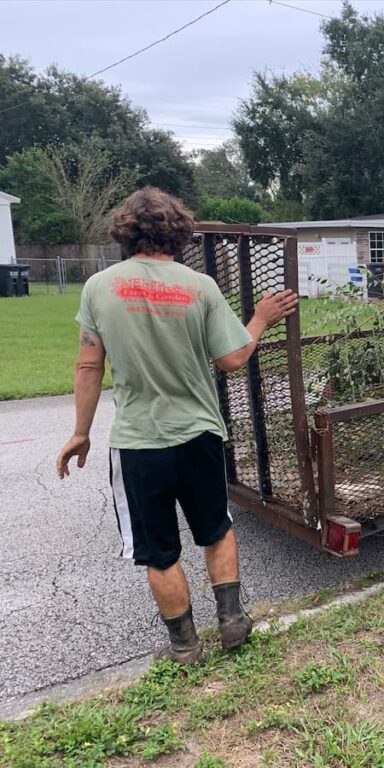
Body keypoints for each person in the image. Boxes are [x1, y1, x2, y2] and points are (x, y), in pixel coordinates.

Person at [56, 187, 298, 663]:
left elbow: (88, 367)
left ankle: (186, 647)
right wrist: (261, 318)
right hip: (199, 436)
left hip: (138, 443)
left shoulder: (99, 287)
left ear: (125, 231)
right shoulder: (199, 286)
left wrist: (81, 432)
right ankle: (232, 623)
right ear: (179, 231)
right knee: (215, 528)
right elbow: (232, 358)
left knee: (158, 549)